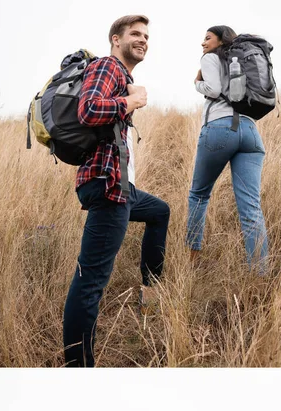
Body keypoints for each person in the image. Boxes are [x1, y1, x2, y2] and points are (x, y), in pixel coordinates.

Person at [63, 15, 170, 368]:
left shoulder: (122, 76)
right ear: (115, 39)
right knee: (91, 281)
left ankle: (149, 294)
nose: (143, 40)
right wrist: (131, 102)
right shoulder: (108, 67)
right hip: (109, 187)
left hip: (121, 186)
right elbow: (89, 109)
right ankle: (78, 365)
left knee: (159, 211)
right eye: (135, 34)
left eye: (146, 36)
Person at [186, 26, 268, 272]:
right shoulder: (241, 61)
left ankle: (193, 261)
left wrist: (196, 83)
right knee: (251, 207)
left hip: (221, 129)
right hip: (250, 133)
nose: (203, 42)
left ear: (221, 40)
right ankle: (259, 273)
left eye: (207, 38)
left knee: (198, 195)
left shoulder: (211, 58)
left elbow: (211, 89)